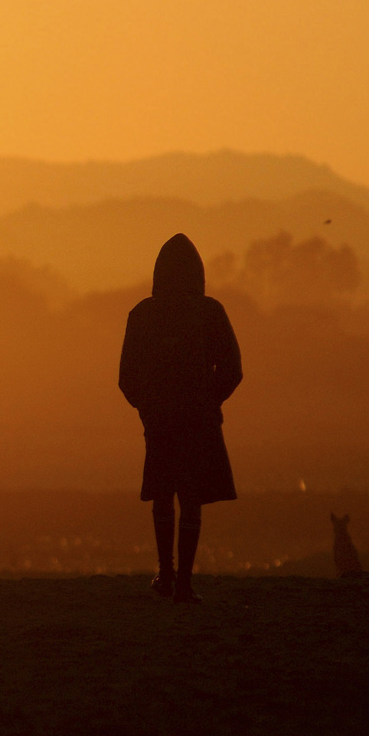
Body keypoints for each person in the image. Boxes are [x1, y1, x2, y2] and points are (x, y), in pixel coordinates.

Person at [119, 233, 242, 604]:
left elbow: (127, 378)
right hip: (198, 421)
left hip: (159, 422)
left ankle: (167, 574)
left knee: (162, 495)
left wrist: (148, 408)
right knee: (190, 497)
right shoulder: (210, 312)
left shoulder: (142, 314)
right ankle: (184, 582)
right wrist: (208, 401)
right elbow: (233, 370)